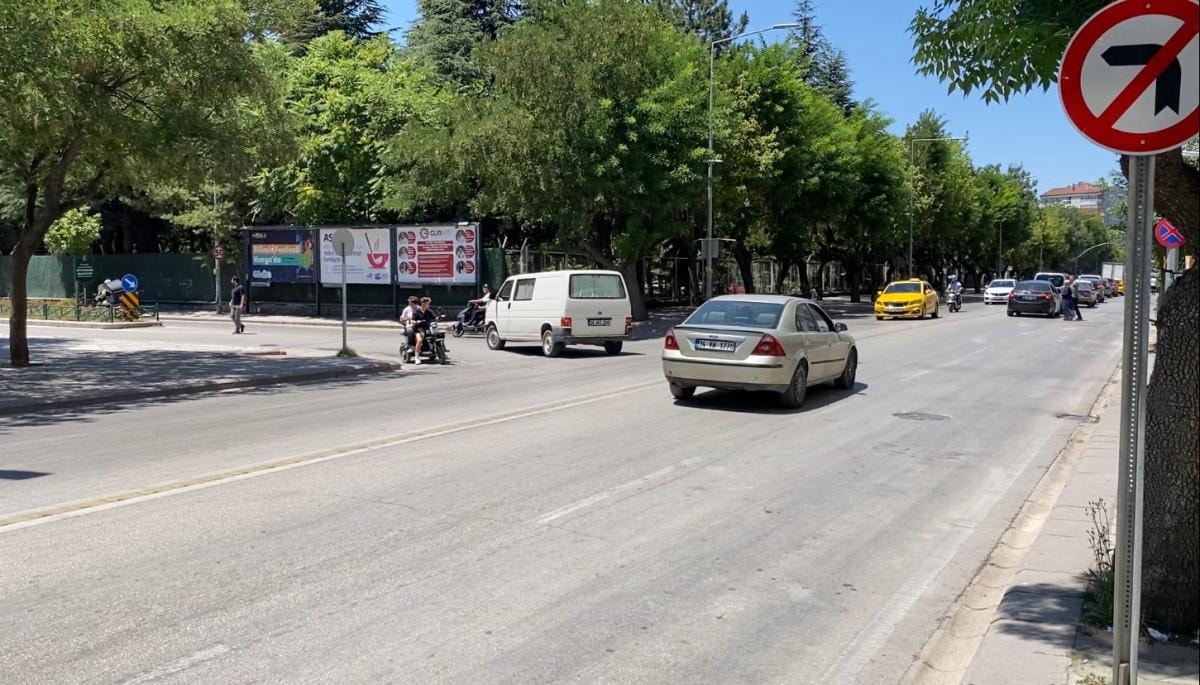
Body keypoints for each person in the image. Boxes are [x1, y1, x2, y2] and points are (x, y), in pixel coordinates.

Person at [412, 297, 436, 364]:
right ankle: (417, 357)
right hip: (419, 329)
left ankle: (439, 350)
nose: (429, 305)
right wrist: (417, 322)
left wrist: (439, 318)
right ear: (423, 303)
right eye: (427, 304)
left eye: (429, 304)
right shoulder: (417, 311)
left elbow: (434, 318)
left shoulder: (430, 311)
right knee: (420, 340)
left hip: (428, 328)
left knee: (437, 335)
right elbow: (412, 320)